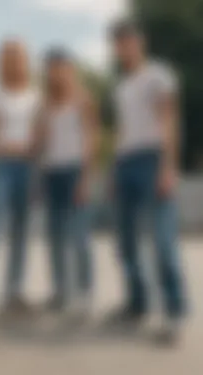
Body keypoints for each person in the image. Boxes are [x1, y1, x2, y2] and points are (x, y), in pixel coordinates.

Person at [110, 20, 187, 342]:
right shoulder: (120, 86)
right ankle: (137, 303)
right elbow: (124, 129)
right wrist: (115, 168)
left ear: (140, 41)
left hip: (152, 159)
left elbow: (169, 119)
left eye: (128, 40)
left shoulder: (158, 74)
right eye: (118, 42)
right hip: (125, 162)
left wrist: (168, 167)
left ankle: (174, 312)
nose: (124, 46)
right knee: (126, 241)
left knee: (162, 240)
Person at [36, 48, 98, 316]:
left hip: (74, 172)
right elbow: (41, 144)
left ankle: (85, 293)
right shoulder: (45, 104)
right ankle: (61, 290)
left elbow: (91, 140)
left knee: (79, 235)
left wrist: (85, 178)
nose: (56, 72)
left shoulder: (82, 99)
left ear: (70, 69)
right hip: (51, 173)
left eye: (61, 67)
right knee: (56, 236)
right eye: (51, 67)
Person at [0, 39, 41, 315]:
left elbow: (40, 132)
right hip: (0, 165)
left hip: (28, 166)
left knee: (22, 231)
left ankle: (14, 290)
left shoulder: (35, 96)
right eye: (7, 56)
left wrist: (31, 150)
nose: (13, 61)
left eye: (18, 56)